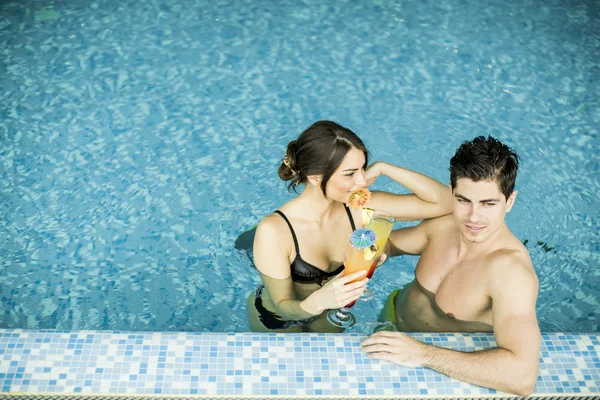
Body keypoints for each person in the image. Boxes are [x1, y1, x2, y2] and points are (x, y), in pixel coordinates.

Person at [360, 136, 540, 396]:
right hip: (390, 323)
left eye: (488, 203)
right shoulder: (444, 227)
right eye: (463, 200)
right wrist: (374, 255)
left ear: (510, 201)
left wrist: (422, 354)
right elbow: (390, 244)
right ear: (451, 193)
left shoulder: (510, 272)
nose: (473, 217)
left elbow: (522, 377)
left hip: (438, 359)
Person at [246, 120, 453, 332]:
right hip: (279, 318)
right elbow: (283, 307)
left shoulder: (359, 207)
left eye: (363, 168)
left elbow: (446, 203)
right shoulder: (275, 231)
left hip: (330, 313)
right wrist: (321, 300)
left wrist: (384, 168)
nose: (362, 181)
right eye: (350, 173)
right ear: (316, 177)